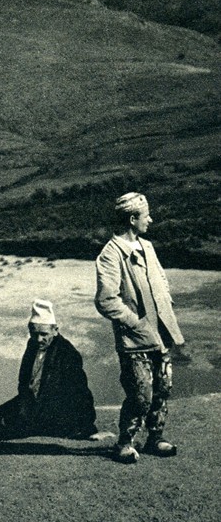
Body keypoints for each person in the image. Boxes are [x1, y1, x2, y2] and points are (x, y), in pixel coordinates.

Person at [95, 191, 186, 464]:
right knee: (140, 394)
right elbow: (106, 300)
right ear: (133, 219)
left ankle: (155, 438)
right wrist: (136, 323)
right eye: (146, 216)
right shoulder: (110, 254)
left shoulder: (147, 246)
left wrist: (165, 306)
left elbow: (162, 279)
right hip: (134, 340)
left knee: (162, 388)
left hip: (161, 334)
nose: (151, 220)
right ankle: (125, 443)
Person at [0, 299, 98, 441]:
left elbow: (80, 391)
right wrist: (23, 406)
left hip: (55, 407)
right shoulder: (32, 344)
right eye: (34, 334)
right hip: (31, 401)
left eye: (44, 334)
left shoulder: (68, 353)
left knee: (14, 427)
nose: (39, 339)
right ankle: (36, 427)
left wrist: (87, 427)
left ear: (55, 330)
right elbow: (23, 381)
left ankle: (42, 427)